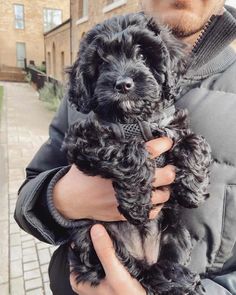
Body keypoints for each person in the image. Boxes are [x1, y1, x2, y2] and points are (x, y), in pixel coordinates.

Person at [14, 0, 236, 294]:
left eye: (142, 57)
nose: (123, 78)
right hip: (95, 264)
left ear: (167, 70)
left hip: (169, 267)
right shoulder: (89, 112)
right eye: (105, 64)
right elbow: (28, 200)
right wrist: (60, 199)